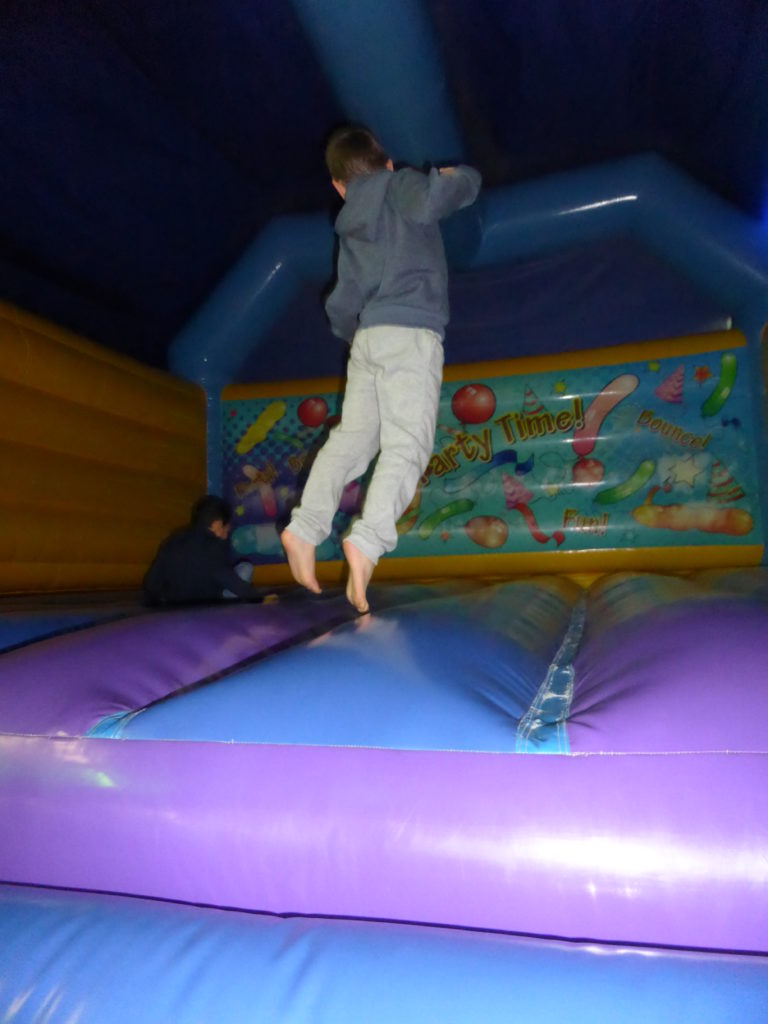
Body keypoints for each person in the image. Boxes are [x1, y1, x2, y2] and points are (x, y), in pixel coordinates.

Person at [281, 124, 481, 613]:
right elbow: (440, 195)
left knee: (352, 439)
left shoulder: (350, 224)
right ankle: (367, 541)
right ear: (387, 163)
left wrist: (357, 336)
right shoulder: (399, 184)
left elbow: (342, 301)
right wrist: (461, 176)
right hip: (410, 332)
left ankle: (305, 528)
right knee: (407, 442)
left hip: (367, 338)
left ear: (339, 187)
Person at [143, 494, 268, 607]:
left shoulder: (172, 541)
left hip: (175, 604)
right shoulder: (213, 547)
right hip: (209, 605)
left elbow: (151, 584)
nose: (226, 536)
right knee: (246, 567)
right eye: (225, 529)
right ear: (216, 525)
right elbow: (233, 584)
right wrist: (260, 598)